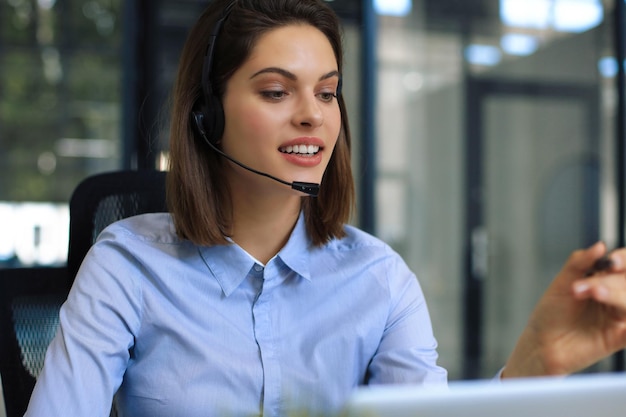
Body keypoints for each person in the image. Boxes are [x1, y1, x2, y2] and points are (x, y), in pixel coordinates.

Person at [24, 0, 626, 416]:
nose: (312, 114)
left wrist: (536, 362)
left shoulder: (379, 280)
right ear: (208, 115)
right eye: (276, 90)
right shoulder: (128, 266)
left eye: (328, 91)